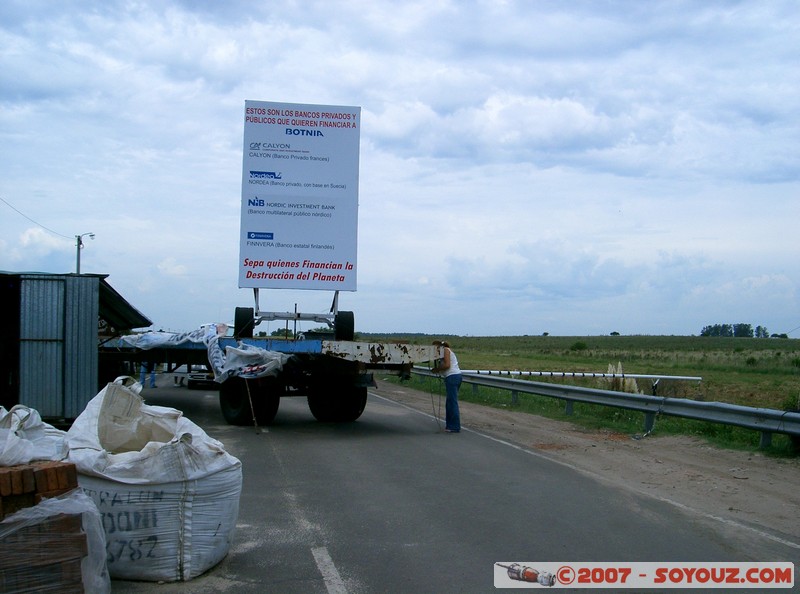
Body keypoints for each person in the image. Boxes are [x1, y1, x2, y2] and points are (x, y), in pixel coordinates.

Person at [432, 340, 462, 433]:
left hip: (452, 376)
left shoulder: (445, 350)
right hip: (453, 376)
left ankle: (454, 426)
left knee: (452, 402)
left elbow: (447, 365)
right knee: (450, 402)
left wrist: (437, 369)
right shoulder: (443, 352)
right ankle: (450, 425)